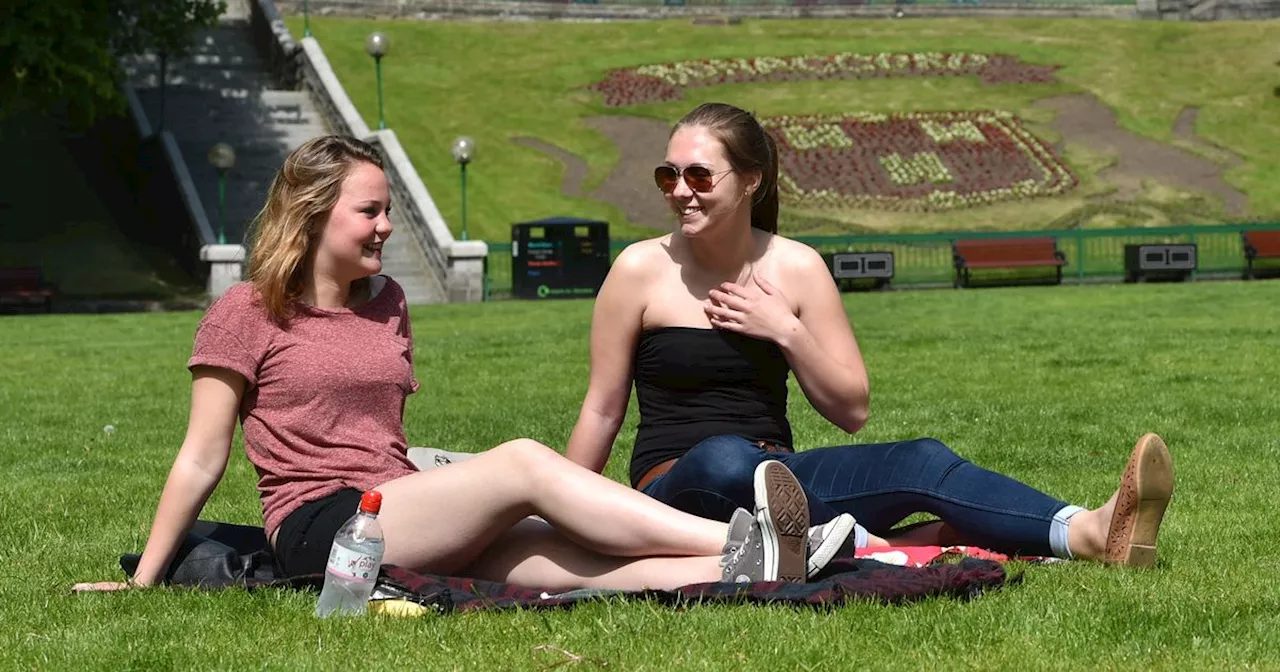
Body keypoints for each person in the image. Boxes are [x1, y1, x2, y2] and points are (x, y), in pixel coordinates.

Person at [73, 135, 859, 595]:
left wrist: (442, 477)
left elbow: (377, 438)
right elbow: (203, 455)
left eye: (388, 209)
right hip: (321, 525)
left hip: (397, 502)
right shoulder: (246, 311)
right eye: (370, 211)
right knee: (522, 462)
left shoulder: (386, 304)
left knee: (571, 568)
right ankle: (742, 540)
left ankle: (750, 573)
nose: (386, 226)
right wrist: (146, 576)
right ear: (314, 214)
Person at [564, 102, 1175, 567]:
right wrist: (562, 517)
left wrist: (786, 331)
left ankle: (1088, 532)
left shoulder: (797, 268)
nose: (679, 191)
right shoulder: (639, 269)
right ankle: (872, 543)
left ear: (751, 180)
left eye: (698, 176)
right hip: (677, 486)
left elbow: (851, 408)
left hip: (784, 482)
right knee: (725, 457)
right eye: (667, 174)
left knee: (922, 458)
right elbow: (602, 408)